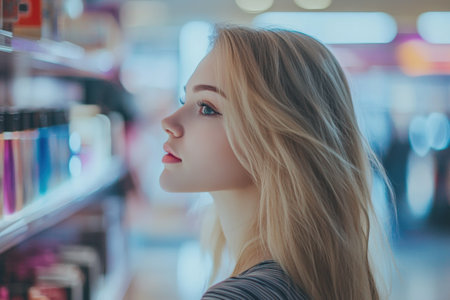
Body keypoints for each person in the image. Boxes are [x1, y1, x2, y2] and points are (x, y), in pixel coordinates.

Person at [160, 25, 393, 300]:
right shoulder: (305, 280)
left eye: (207, 108)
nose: (169, 123)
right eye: (183, 99)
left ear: (278, 137)